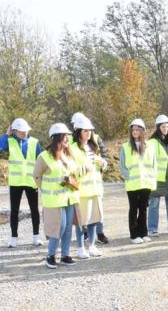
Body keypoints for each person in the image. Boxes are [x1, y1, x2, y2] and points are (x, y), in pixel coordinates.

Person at [33, 123, 80, 269]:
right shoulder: (44, 157)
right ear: (56, 138)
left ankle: (65, 255)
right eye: (64, 136)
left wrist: (71, 181)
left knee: (67, 228)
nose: (67, 139)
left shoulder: (67, 156)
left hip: (69, 198)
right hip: (54, 200)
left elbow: (74, 174)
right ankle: (50, 256)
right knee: (58, 228)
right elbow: (36, 176)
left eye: (67, 136)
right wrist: (46, 189)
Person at [1, 118, 42, 248]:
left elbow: (40, 161)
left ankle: (36, 236)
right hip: (16, 182)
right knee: (14, 211)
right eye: (21, 131)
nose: (24, 133)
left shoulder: (35, 142)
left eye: (26, 131)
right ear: (15, 131)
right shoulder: (10, 141)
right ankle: (13, 238)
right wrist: (6, 134)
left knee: (34, 210)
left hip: (31, 181)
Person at [71, 111, 110, 244]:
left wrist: (103, 163)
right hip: (82, 191)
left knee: (95, 218)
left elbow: (104, 156)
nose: (89, 133)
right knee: (82, 220)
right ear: (78, 131)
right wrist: (81, 170)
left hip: (96, 188)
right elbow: (69, 169)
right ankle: (81, 245)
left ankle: (94, 241)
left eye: (90, 130)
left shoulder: (93, 144)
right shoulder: (72, 147)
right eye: (86, 131)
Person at [119, 119, 157, 244]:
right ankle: (134, 235)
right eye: (133, 130)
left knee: (144, 209)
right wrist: (128, 176)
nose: (135, 132)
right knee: (133, 209)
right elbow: (122, 166)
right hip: (133, 183)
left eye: (137, 130)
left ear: (142, 131)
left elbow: (153, 164)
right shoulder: (125, 147)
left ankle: (143, 233)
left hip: (146, 182)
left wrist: (153, 180)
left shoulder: (149, 146)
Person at [148, 115, 168, 236]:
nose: (165, 129)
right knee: (154, 204)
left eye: (167, 126)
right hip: (157, 178)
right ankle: (152, 228)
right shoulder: (152, 142)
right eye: (163, 126)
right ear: (158, 127)